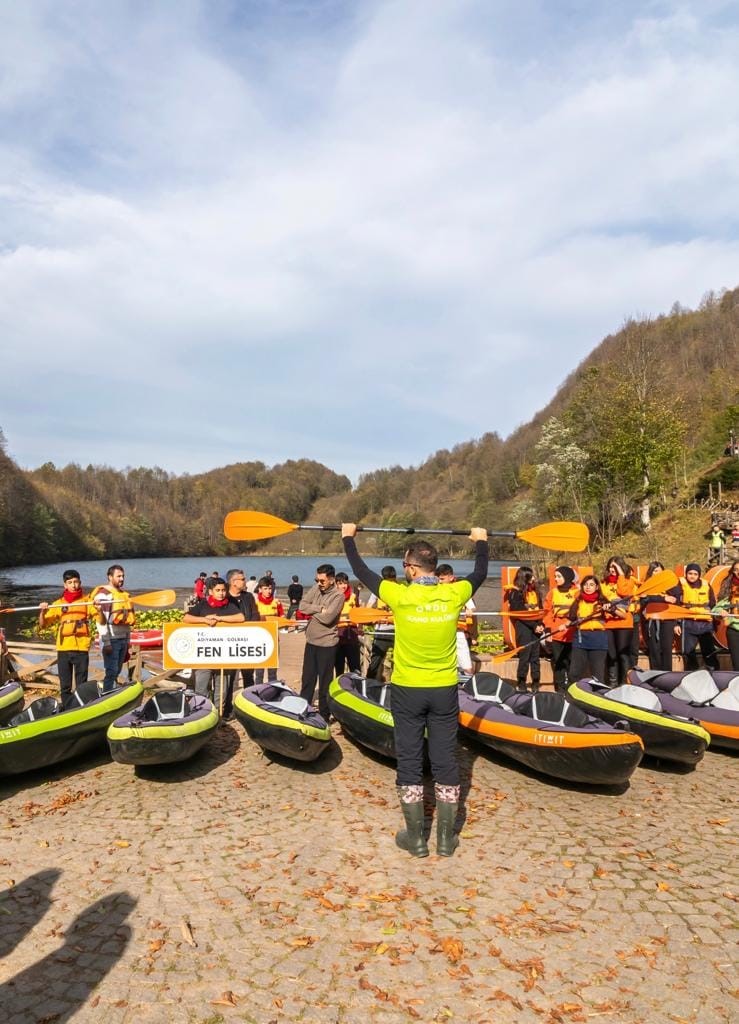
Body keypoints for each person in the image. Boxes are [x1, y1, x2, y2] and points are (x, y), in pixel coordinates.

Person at [342, 523, 488, 859]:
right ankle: (446, 840)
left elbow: (359, 569)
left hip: (408, 690)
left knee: (409, 760)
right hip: (444, 690)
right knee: (445, 760)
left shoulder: (400, 594)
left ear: (409, 568)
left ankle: (416, 837)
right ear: (434, 567)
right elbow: (480, 572)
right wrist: (481, 541)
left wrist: (348, 536)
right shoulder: (455, 593)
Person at [183, 576, 245, 711]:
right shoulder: (203, 605)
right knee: (201, 688)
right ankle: (202, 713)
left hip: (224, 656)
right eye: (218, 590)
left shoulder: (230, 605)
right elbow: (186, 618)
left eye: (223, 590)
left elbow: (240, 617)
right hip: (204, 657)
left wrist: (219, 618)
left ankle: (218, 715)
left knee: (221, 691)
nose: (221, 593)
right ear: (211, 591)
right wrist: (203, 620)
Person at [38, 570, 96, 709]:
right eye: (70, 583)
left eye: (76, 582)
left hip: (81, 648)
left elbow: (100, 618)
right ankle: (68, 708)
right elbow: (42, 624)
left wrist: (99, 605)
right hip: (64, 649)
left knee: (82, 684)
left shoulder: (87, 601)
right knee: (65, 685)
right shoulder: (58, 603)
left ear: (80, 583)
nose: (73, 585)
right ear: (65, 585)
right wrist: (42, 611)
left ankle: (80, 708)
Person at [298, 564, 345, 723]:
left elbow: (328, 618)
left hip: (327, 644)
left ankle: (324, 715)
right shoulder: (315, 588)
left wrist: (314, 611)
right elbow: (301, 606)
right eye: (317, 580)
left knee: (325, 682)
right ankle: (303, 710)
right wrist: (320, 608)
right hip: (311, 641)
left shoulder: (338, 596)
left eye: (322, 581)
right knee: (307, 679)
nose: (319, 583)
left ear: (331, 580)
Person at [568, 575, 626, 683]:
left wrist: (611, 609)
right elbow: (571, 619)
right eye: (585, 585)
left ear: (597, 587)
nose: (588, 587)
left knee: (597, 674)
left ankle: (597, 696)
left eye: (591, 585)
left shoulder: (603, 601)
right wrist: (564, 625)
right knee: (574, 673)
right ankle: (572, 696)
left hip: (598, 639)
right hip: (581, 639)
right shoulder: (578, 601)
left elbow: (623, 615)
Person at [90, 565, 135, 694]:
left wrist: (128, 641)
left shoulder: (123, 595)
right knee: (111, 671)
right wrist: (107, 642)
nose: (121, 579)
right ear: (110, 577)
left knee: (117, 671)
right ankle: (106, 697)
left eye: (123, 576)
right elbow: (101, 621)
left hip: (122, 639)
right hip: (111, 640)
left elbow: (126, 623)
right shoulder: (104, 595)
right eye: (118, 576)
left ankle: (112, 694)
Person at [504, 566, 544, 692]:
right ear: (524, 578)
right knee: (525, 656)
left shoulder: (535, 592)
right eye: (531, 576)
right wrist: (534, 626)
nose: (534, 578)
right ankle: (521, 682)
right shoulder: (515, 593)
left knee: (535, 656)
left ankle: (536, 681)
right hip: (524, 627)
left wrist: (541, 625)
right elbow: (519, 612)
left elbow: (541, 608)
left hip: (536, 627)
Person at [224, 569, 261, 705]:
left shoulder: (248, 597)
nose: (245, 581)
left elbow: (255, 614)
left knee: (248, 675)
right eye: (243, 579)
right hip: (230, 643)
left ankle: (250, 705)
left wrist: (250, 628)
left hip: (247, 642)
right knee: (229, 677)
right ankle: (227, 707)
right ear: (234, 582)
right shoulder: (225, 597)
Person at [600, 557, 637, 685]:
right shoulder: (603, 583)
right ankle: (612, 683)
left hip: (624, 623)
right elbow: (601, 598)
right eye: (610, 567)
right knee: (611, 655)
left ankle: (626, 683)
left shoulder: (628, 581)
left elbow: (623, 592)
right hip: (608, 623)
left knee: (623, 654)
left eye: (615, 567)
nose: (612, 569)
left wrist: (621, 574)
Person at [542, 566, 579, 692]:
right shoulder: (552, 592)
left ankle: (572, 689)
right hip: (556, 631)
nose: (556, 579)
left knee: (571, 662)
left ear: (567, 577)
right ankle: (560, 689)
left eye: (559, 576)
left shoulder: (576, 592)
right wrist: (548, 631)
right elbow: (547, 612)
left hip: (572, 632)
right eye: (555, 576)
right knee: (558, 662)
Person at [676, 563, 719, 671]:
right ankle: (692, 672)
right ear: (686, 574)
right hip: (688, 623)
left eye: (695, 574)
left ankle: (714, 671)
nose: (692, 576)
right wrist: (676, 624)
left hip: (705, 623)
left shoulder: (706, 585)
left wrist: (715, 621)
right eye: (690, 573)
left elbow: (713, 603)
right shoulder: (680, 585)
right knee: (688, 651)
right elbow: (675, 605)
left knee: (709, 651)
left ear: (699, 575)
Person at [640, 561, 681, 671]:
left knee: (666, 648)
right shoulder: (646, 585)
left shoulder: (672, 585)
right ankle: (655, 674)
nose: (656, 573)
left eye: (659, 571)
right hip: (651, 620)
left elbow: (676, 601)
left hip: (668, 619)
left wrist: (677, 623)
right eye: (654, 571)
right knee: (654, 648)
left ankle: (667, 674)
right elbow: (645, 598)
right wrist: (663, 598)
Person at [366, 566, 397, 680]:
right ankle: (369, 685)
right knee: (375, 660)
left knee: (400, 661)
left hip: (396, 630)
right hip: (382, 631)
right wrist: (377, 613)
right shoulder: (377, 590)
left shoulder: (399, 589)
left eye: (392, 580)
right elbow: (368, 607)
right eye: (388, 580)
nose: (391, 582)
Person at [254, 577, 284, 683]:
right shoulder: (255, 604)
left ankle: (272, 693)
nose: (268, 591)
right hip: (259, 641)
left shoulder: (277, 603)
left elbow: (282, 619)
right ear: (260, 589)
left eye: (270, 588)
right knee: (259, 673)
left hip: (274, 640)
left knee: (272, 672)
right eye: (265, 588)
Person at [712, 560, 739, 670]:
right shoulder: (729, 589)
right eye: (736, 570)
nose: (738, 572)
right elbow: (716, 609)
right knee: (737, 665)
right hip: (734, 631)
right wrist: (721, 612)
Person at [334, 572, 361, 674]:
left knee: (355, 667)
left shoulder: (353, 597)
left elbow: (358, 614)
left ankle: (356, 687)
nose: (343, 586)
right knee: (339, 667)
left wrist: (360, 629)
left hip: (351, 635)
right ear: (336, 584)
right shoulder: (333, 597)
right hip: (338, 635)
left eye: (345, 583)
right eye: (340, 583)